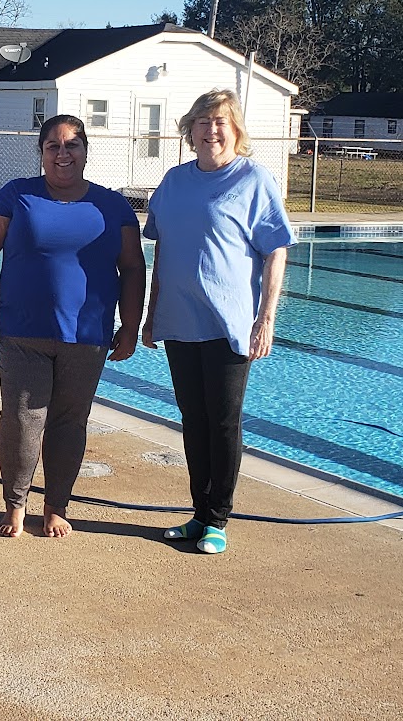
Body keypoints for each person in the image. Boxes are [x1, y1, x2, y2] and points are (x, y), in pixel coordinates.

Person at [0, 115, 145, 539]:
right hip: (22, 331)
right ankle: (15, 503)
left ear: (85, 151)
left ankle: (56, 506)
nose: (63, 154)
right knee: (21, 420)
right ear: (42, 153)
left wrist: (130, 325)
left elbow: (133, 267)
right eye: (53, 146)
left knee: (70, 421)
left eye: (72, 146)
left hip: (87, 335)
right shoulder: (16, 195)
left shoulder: (112, 205)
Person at [142, 89, 293, 555]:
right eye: (203, 122)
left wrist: (266, 319)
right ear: (190, 130)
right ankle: (198, 513)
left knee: (223, 422)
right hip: (180, 320)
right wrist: (151, 312)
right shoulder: (173, 181)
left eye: (221, 122)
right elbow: (163, 250)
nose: (211, 130)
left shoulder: (253, 180)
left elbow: (276, 251)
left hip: (230, 324)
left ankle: (218, 519)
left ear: (236, 130)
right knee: (193, 420)